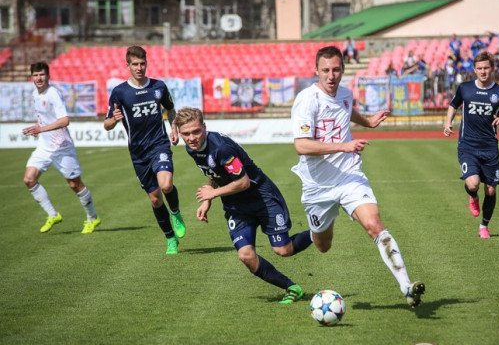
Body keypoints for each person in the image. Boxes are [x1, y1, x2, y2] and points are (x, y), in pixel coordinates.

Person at [290, 46, 426, 308]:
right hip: (318, 186)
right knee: (323, 245)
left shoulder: (345, 93)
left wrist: (368, 122)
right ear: (316, 71)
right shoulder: (307, 100)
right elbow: (301, 145)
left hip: (349, 175)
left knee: (374, 224)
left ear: (343, 69)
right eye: (325, 70)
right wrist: (344, 145)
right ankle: (319, 229)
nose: (331, 76)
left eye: (336, 70)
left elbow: (346, 108)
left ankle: (406, 287)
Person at [174, 107, 313, 304]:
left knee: (283, 250)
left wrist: (213, 193)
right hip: (235, 205)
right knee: (246, 255)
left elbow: (243, 182)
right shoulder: (192, 148)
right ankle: (292, 288)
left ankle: (318, 231)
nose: (192, 138)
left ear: (204, 127)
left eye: (196, 131)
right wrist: (207, 200)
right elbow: (213, 171)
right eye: (186, 134)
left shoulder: (221, 149)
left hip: (261, 197)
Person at [104, 45, 186, 255]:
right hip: (138, 153)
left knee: (166, 185)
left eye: (142, 64)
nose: (139, 68)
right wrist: (114, 120)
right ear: (128, 65)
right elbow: (107, 124)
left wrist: (174, 128)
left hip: (159, 144)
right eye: (135, 64)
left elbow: (171, 109)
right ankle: (170, 238)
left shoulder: (158, 86)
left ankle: (175, 212)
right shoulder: (120, 92)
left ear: (147, 63)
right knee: (155, 199)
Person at [444, 51, 499, 238]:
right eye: (479, 68)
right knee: (473, 184)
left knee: (491, 190)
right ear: (474, 70)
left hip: (490, 148)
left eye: (486, 67)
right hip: (467, 145)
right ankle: (473, 196)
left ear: (492, 68)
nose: (483, 71)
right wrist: (448, 122)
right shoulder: (465, 88)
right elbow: (453, 105)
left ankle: (484, 226)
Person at [22, 62, 101, 234]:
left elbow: (65, 120)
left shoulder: (53, 94)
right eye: (35, 75)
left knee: (74, 184)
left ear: (48, 76)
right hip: (44, 146)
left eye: (42, 74)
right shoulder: (35, 94)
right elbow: (46, 119)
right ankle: (53, 215)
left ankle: (92, 218)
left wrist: (41, 129)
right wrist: (37, 127)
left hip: (61, 146)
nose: (39, 78)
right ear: (32, 77)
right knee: (29, 179)